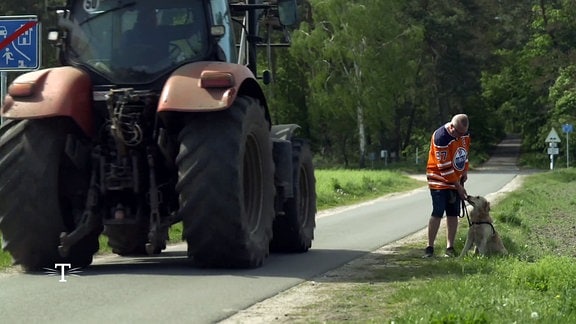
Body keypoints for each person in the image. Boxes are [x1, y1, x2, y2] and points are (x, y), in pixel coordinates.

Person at [423, 114, 470, 258]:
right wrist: (459, 187)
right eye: (459, 133)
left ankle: (450, 247)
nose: (462, 136)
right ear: (452, 127)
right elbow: (444, 168)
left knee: (453, 212)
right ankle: (430, 247)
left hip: (455, 177)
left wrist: (464, 171)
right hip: (438, 177)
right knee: (438, 210)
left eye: (464, 133)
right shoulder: (441, 137)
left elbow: (464, 153)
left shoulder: (464, 134)